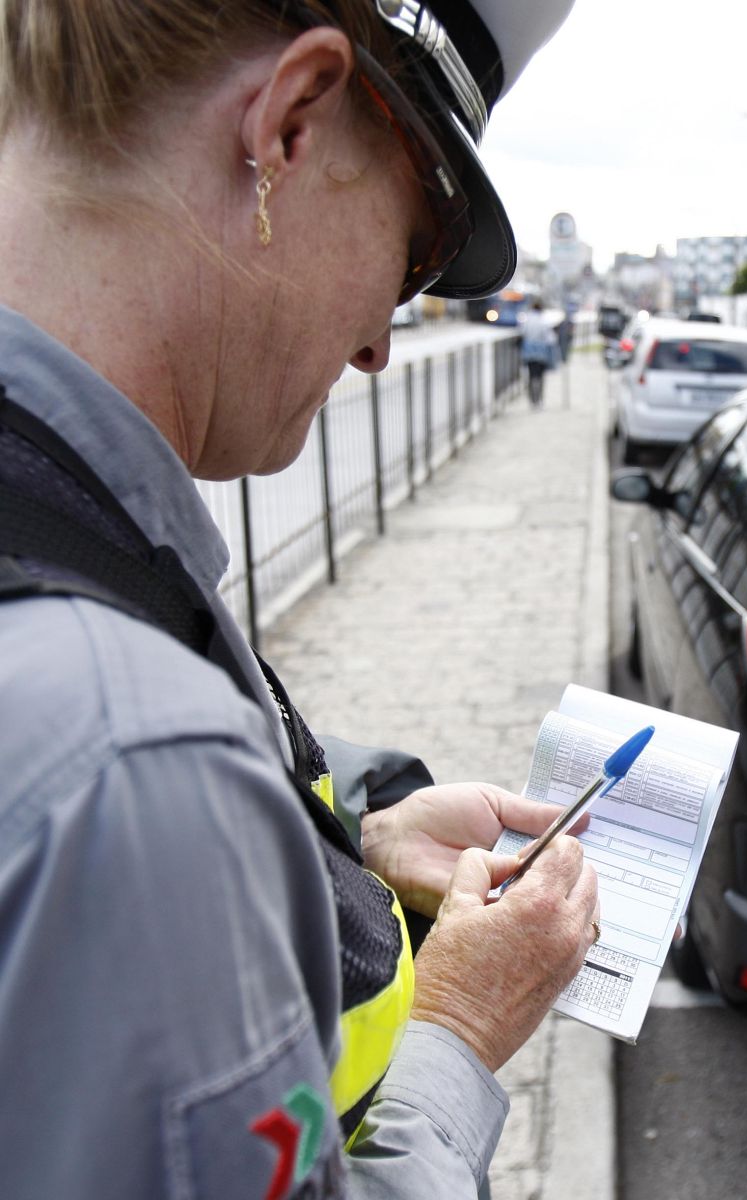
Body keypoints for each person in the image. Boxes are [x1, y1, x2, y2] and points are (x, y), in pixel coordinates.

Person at [0, 3, 599, 1198]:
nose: (380, 342)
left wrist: (349, 843)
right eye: (413, 249)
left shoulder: (66, 535)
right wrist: (460, 1029)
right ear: (291, 122)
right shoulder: (137, 757)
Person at [520, 297, 558, 406]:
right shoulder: (543, 321)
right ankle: (540, 399)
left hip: (529, 353)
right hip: (542, 354)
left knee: (532, 376)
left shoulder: (527, 320)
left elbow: (522, 334)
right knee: (540, 377)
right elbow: (550, 338)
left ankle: (532, 399)